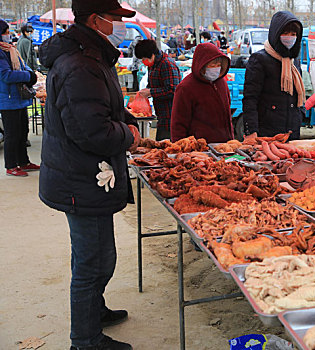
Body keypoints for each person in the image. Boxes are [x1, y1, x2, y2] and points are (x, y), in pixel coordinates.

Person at [38, 0, 141, 348]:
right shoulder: (80, 64)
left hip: (87, 178)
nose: (121, 25)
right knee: (92, 260)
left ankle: (94, 310)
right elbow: (91, 131)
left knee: (97, 254)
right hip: (81, 179)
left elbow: (102, 107)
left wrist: (126, 119)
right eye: (115, 18)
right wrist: (129, 135)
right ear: (96, 20)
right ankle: (85, 339)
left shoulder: (93, 56)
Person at [243, 11, 306, 140]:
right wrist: (251, 130)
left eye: (293, 34)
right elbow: (250, 98)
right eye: (285, 33)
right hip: (267, 132)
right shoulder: (259, 59)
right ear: (275, 34)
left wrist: (300, 115)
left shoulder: (294, 61)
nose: (289, 37)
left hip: (292, 131)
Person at [171, 42, 233, 143]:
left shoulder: (221, 82)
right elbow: (178, 124)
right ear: (202, 65)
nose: (216, 68)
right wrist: (181, 149)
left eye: (219, 65)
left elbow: (227, 115)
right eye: (212, 65)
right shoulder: (185, 88)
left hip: (223, 147)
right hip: (199, 149)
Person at [0, 19, 39, 177]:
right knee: (12, 134)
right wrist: (28, 75)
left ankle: (24, 161)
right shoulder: (1, 53)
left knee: (23, 131)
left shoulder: (11, 50)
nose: (8, 35)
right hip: (8, 100)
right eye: (5, 32)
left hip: (19, 98)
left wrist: (30, 73)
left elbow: (22, 65)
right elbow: (6, 75)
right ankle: (11, 165)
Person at [134, 39, 181, 141]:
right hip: (161, 115)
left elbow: (173, 90)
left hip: (170, 116)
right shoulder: (153, 65)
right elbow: (153, 85)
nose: (143, 61)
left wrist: (150, 92)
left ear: (152, 54)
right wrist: (146, 91)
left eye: (144, 58)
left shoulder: (167, 64)